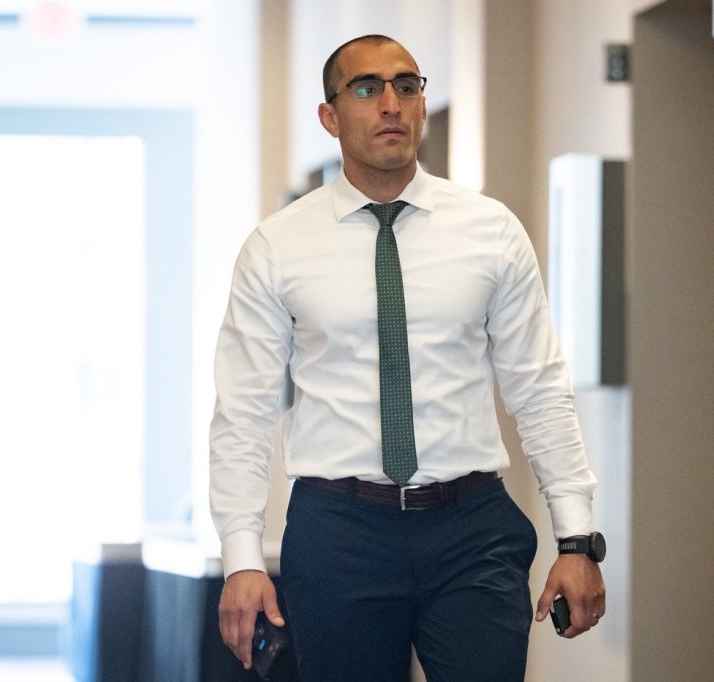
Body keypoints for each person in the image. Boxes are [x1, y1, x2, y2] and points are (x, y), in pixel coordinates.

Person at [210, 34, 606, 682]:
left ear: (422, 105)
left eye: (406, 85)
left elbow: (539, 388)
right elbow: (243, 414)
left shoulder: (491, 231)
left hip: (472, 529)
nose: (390, 103)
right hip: (337, 533)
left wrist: (576, 537)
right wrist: (242, 558)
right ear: (330, 116)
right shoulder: (276, 248)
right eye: (367, 88)